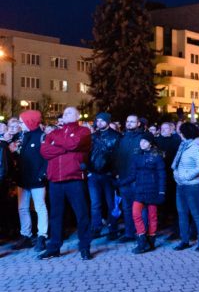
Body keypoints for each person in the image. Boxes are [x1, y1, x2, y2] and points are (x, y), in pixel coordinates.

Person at [39, 107, 93, 260]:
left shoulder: (84, 131)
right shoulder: (53, 133)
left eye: (69, 112)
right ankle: (54, 247)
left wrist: (58, 144)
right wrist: (64, 148)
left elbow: (74, 144)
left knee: (81, 214)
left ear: (77, 116)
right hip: (55, 180)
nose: (66, 114)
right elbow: (44, 151)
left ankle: (84, 247)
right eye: (65, 113)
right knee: (56, 215)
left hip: (74, 178)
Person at [122, 133, 166, 254]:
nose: (142, 143)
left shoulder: (157, 156)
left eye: (145, 142)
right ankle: (142, 239)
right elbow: (132, 175)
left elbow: (162, 175)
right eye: (141, 141)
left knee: (152, 215)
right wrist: (120, 182)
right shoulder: (136, 156)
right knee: (136, 213)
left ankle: (151, 239)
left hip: (153, 189)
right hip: (140, 189)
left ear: (150, 143)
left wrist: (162, 191)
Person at [14, 110, 48, 251]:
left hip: (37, 180)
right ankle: (26, 235)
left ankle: (42, 236)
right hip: (23, 179)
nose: (20, 124)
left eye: (22, 122)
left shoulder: (42, 137)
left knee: (40, 207)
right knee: (22, 208)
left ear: (30, 122)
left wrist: (41, 175)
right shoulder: (23, 136)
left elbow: (47, 159)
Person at [172, 122, 199, 251]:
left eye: (181, 132)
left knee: (196, 214)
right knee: (182, 214)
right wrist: (176, 174)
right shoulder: (184, 145)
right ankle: (184, 240)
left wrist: (186, 176)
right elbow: (177, 162)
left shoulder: (196, 146)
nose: (179, 134)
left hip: (192, 186)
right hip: (180, 185)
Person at [87, 112, 121, 241]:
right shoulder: (93, 137)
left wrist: (115, 173)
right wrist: (89, 170)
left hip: (109, 175)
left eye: (102, 121)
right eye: (97, 121)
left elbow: (119, 157)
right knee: (95, 203)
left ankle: (113, 228)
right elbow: (87, 154)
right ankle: (96, 227)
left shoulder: (116, 137)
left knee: (111, 203)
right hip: (94, 174)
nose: (99, 123)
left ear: (107, 121)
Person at [114, 114, 145, 242]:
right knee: (126, 208)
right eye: (127, 121)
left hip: (137, 179)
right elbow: (117, 157)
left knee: (139, 208)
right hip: (123, 177)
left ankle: (142, 233)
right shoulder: (122, 138)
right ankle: (129, 233)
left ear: (138, 123)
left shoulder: (143, 137)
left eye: (132, 122)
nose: (129, 124)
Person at [156, 122, 181, 235]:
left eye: (166, 128)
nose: (164, 130)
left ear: (171, 130)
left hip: (172, 174)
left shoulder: (176, 141)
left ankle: (174, 226)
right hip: (159, 174)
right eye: (162, 128)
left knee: (172, 199)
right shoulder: (157, 141)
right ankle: (162, 220)